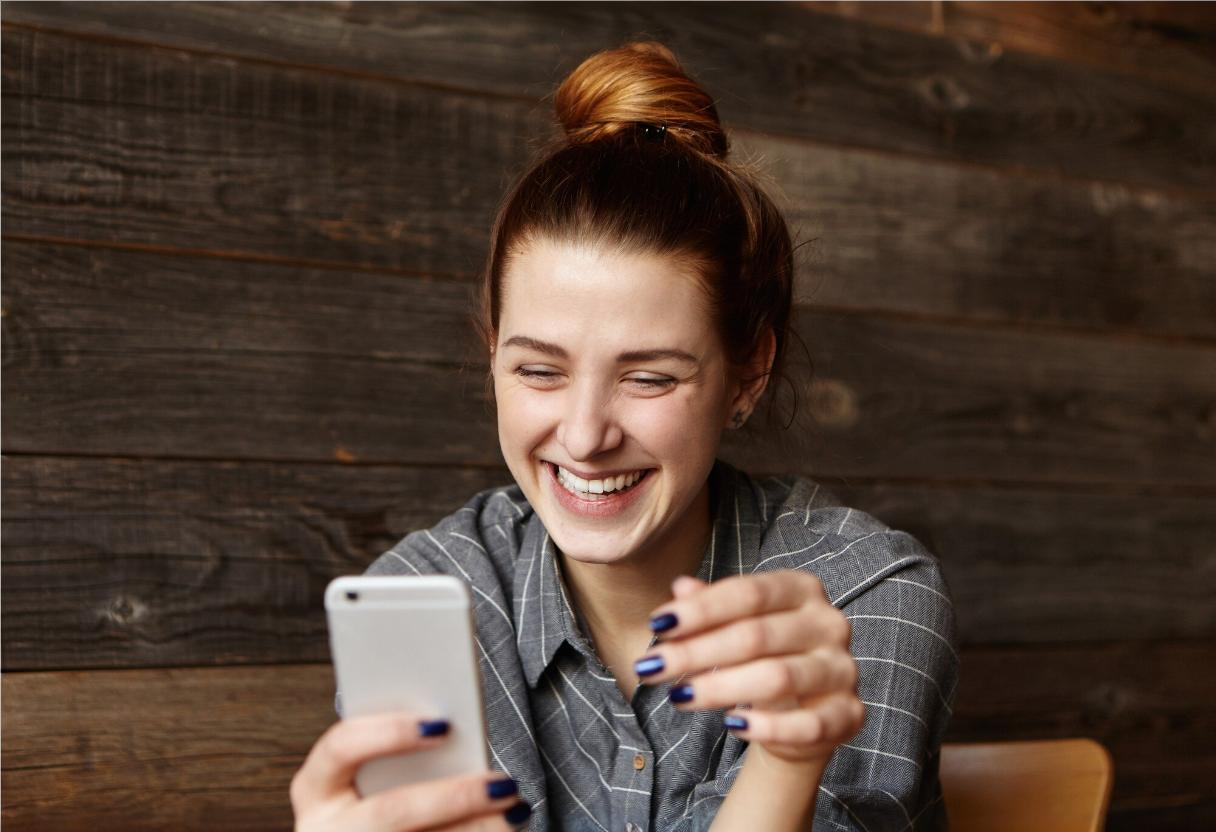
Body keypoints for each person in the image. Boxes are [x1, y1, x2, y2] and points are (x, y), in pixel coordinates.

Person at [291, 41, 958, 832]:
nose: (583, 436)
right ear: (491, 354)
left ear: (747, 374)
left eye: (649, 378)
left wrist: (788, 761)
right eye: (539, 371)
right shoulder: (432, 598)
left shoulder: (865, 595)